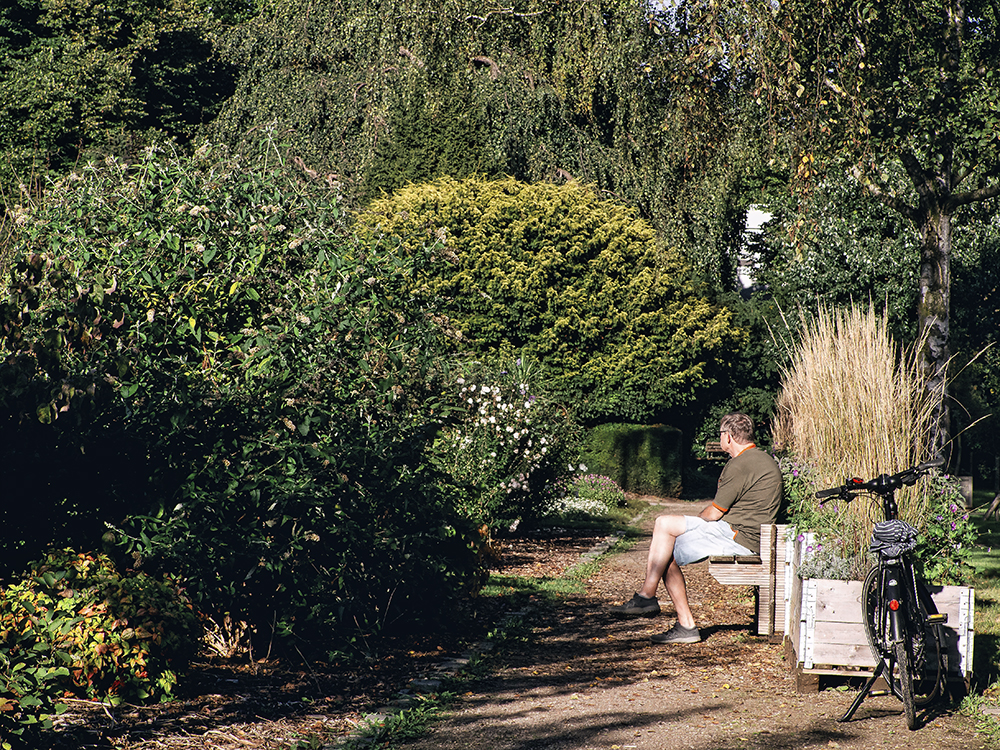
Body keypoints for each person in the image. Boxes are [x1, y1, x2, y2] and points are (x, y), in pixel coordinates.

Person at [610, 412, 782, 644]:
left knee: (666, 542)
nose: (720, 439)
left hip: (738, 536)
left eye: (721, 434)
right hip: (746, 533)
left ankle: (679, 620)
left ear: (728, 437)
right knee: (664, 525)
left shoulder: (741, 464)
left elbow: (714, 513)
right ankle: (647, 596)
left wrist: (695, 523)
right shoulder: (761, 459)